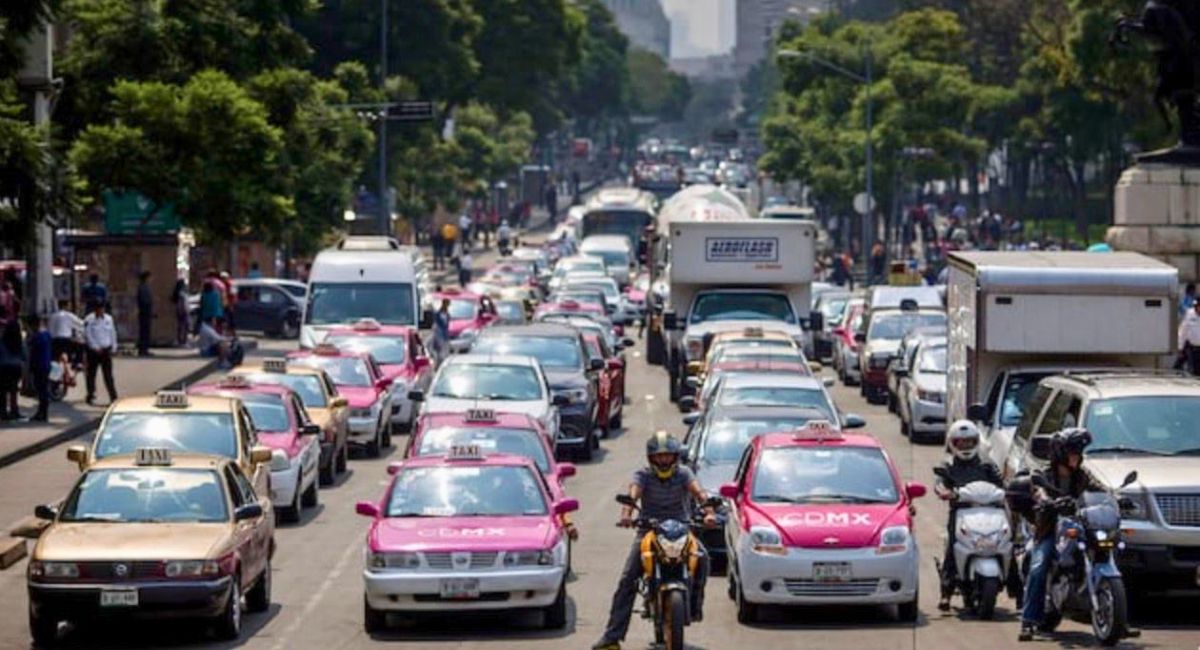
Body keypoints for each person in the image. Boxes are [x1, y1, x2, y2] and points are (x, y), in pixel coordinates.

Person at [592, 432, 717, 650]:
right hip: (648, 529)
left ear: (675, 457)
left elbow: (699, 493)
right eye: (659, 456)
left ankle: (695, 606)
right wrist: (626, 514)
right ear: (651, 458)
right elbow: (633, 494)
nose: (663, 460)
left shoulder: (684, 473)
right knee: (627, 579)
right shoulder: (643, 474)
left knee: (703, 558)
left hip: (681, 528)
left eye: (667, 456)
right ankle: (611, 638)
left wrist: (709, 512)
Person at [1018, 428, 1102, 642]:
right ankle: (1028, 621)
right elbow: (1038, 490)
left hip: (1078, 526)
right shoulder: (1044, 474)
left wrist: (1117, 498)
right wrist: (1046, 500)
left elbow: (1098, 489)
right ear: (1060, 454)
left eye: (1078, 451)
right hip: (1050, 529)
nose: (1076, 456)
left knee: (1106, 550)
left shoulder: (1082, 475)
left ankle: (1117, 618)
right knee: (1039, 566)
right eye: (1072, 451)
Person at [935, 420, 1004, 611]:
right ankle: (946, 592)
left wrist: (1012, 490)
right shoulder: (947, 465)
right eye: (961, 443)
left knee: (1007, 542)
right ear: (952, 444)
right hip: (960, 513)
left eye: (969, 442)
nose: (966, 446)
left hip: (990, 512)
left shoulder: (987, 465)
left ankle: (1018, 590)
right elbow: (939, 483)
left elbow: (1002, 482)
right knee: (952, 546)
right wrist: (943, 491)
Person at [83, 301, 118, 406]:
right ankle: (90, 395)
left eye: (102, 309)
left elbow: (112, 333)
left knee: (108, 375)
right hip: (94, 351)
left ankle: (113, 397)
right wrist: (95, 347)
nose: (100, 311)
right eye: (98, 309)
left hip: (106, 350)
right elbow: (88, 335)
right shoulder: (89, 319)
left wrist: (114, 347)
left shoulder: (108, 319)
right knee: (91, 375)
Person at [26, 315, 52, 421]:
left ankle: (42, 413)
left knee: (41, 390)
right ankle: (42, 412)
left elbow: (30, 345)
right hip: (45, 364)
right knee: (43, 389)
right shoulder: (47, 334)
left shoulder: (37, 336)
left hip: (39, 365)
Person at [0, 314, 24, 420]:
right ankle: (14, 411)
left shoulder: (2, 341)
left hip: (3, 368)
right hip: (16, 368)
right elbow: (25, 356)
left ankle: (3, 412)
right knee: (14, 391)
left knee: (3, 391)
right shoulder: (19, 342)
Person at [49, 300, 83, 365]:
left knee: (56, 360)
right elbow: (80, 324)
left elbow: (50, 330)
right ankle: (77, 364)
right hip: (65, 341)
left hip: (54, 341)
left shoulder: (52, 316)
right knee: (79, 347)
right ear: (65, 306)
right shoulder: (69, 315)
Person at [1178, 299, 1200, 374]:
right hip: (1192, 347)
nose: (1198, 309)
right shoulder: (1189, 313)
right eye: (1196, 307)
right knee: (1194, 370)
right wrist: (1180, 347)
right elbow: (1183, 331)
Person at [136, 270, 153, 357]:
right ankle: (143, 349)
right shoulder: (143, 288)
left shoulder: (145, 287)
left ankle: (145, 348)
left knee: (146, 331)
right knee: (144, 331)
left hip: (146, 312)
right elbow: (144, 301)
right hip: (144, 312)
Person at [170, 279, 190, 346]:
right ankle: (184, 341)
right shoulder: (182, 293)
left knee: (180, 326)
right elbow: (183, 303)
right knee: (185, 326)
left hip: (179, 311)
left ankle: (180, 340)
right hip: (183, 311)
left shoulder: (178, 293)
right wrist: (186, 310)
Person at [432, 299, 451, 364]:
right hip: (439, 334)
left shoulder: (447, 314)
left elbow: (447, 324)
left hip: (445, 335)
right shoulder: (438, 314)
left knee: (445, 351)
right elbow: (437, 324)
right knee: (440, 351)